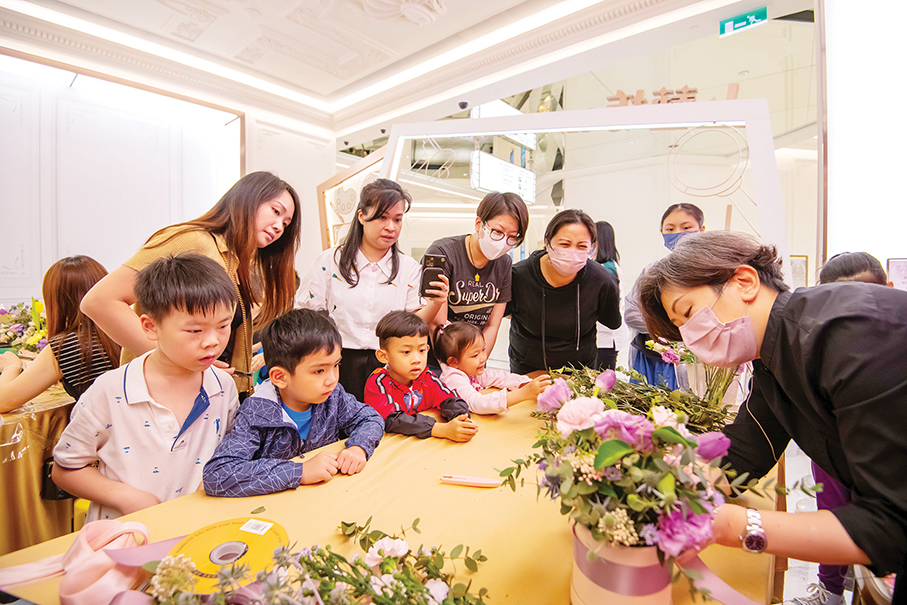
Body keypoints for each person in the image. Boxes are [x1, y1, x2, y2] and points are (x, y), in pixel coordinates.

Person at [636, 231, 907, 601]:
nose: (691, 335)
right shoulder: (774, 356)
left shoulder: (851, 334)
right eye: (681, 328)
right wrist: (663, 480)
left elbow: (892, 524)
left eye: (688, 312)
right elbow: (747, 452)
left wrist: (731, 526)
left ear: (744, 282)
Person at [52, 254, 240, 522]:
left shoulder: (223, 387)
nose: (212, 341)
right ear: (150, 327)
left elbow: (229, 451)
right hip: (125, 537)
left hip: (197, 529)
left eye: (223, 326)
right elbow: (66, 468)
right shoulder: (110, 391)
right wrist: (125, 497)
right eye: (195, 331)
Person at [82, 171, 300, 397]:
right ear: (247, 199)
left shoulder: (236, 262)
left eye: (285, 223)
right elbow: (100, 301)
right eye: (275, 212)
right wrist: (180, 361)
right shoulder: (194, 240)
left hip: (205, 395)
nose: (279, 227)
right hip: (161, 393)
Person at [784, 251, 894, 605]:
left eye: (862, 292)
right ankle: (830, 590)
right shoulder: (816, 351)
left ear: (889, 289)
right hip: (833, 450)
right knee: (832, 506)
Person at [203, 309, 385, 498]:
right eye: (319, 371)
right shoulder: (256, 413)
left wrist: (359, 447)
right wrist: (300, 471)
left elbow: (370, 418)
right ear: (280, 377)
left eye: (336, 365)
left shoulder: (332, 396)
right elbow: (218, 475)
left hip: (325, 499)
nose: (332, 379)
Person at [298, 179, 448, 402]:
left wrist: (435, 304)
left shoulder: (408, 268)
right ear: (361, 216)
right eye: (382, 217)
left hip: (390, 365)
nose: (391, 227)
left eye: (397, 219)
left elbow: (411, 323)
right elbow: (307, 313)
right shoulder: (331, 260)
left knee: (387, 425)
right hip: (337, 361)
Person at [0, 256, 120, 413]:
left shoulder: (68, 345)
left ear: (55, 300)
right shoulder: (125, 330)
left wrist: (11, 365)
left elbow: (4, 401)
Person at [507, 209, 621, 374]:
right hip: (527, 370)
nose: (572, 252)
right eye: (564, 244)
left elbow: (612, 321)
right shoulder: (519, 276)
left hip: (579, 373)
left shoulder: (601, 281)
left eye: (582, 246)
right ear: (548, 243)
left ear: (592, 248)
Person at [425, 192, 529, 362]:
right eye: (497, 232)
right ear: (479, 223)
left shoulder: (504, 263)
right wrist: (455, 368)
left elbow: (492, 325)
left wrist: (478, 362)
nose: (503, 242)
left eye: (512, 237)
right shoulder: (443, 252)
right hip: (439, 359)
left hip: (474, 358)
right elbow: (437, 324)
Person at [624, 203, 705, 389]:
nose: (678, 233)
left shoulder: (713, 272)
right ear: (662, 233)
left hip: (700, 362)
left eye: (686, 228)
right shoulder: (653, 271)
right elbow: (631, 313)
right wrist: (672, 333)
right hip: (654, 359)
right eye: (670, 229)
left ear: (701, 230)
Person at [364, 311, 476, 442]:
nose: (416, 359)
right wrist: (441, 430)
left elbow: (449, 399)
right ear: (383, 356)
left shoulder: (426, 376)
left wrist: (460, 418)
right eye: (406, 352)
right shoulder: (378, 383)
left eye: (421, 350)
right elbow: (392, 420)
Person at [436, 322, 551, 414]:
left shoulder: (469, 369)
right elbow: (477, 403)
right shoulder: (453, 379)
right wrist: (522, 394)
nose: (483, 358)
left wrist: (525, 383)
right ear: (453, 362)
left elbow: (499, 377)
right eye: (475, 355)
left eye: (483, 350)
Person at [593, 221, 629, 371]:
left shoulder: (607, 269)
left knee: (601, 383)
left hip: (606, 338)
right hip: (602, 336)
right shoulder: (604, 266)